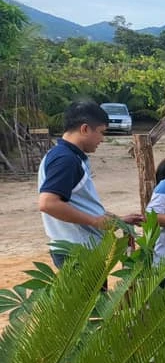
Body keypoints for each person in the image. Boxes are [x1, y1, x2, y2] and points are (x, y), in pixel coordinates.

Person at [37, 99, 143, 268]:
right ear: (85, 129)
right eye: (101, 132)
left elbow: (81, 204)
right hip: (77, 250)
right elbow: (48, 203)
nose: (102, 139)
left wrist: (119, 220)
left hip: (82, 249)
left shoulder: (66, 156)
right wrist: (95, 221)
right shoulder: (66, 160)